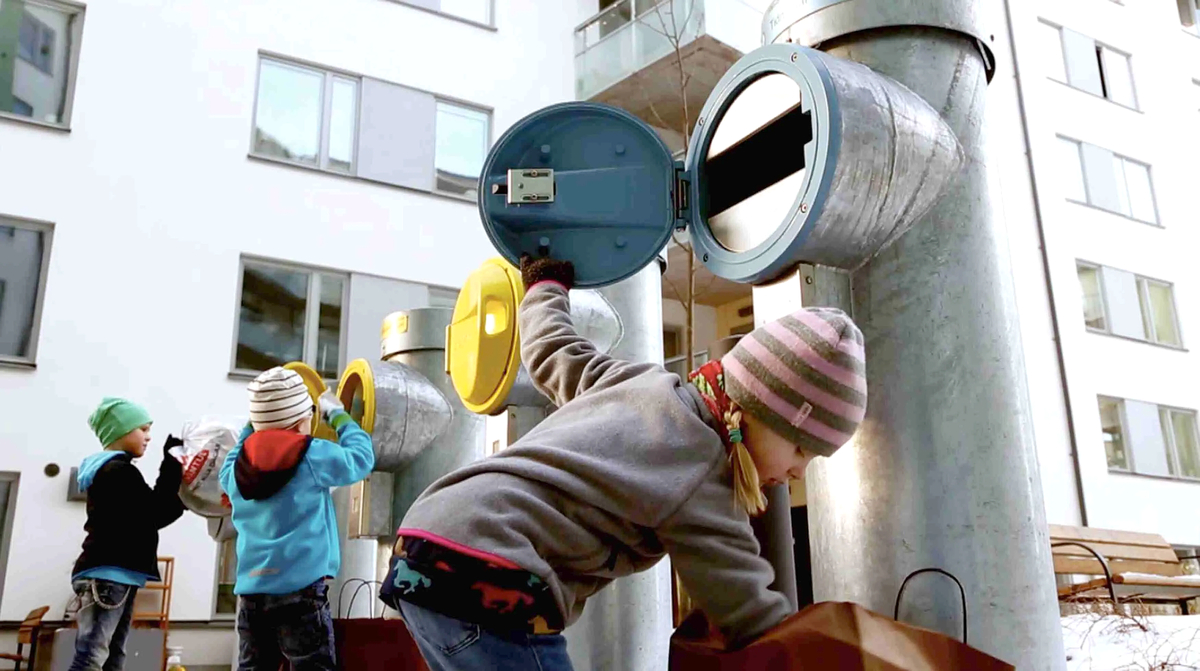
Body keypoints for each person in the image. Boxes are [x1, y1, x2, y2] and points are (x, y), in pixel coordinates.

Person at [384, 256, 868, 670]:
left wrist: (544, 284)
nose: (800, 471)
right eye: (802, 448)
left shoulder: (640, 385)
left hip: (428, 543)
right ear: (759, 408)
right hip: (492, 571)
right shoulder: (701, 469)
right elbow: (746, 610)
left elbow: (552, 350)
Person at [220, 367, 375, 671]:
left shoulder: (235, 468)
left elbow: (236, 452)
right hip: (301, 592)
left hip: (252, 594)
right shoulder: (312, 455)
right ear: (302, 419)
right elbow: (361, 458)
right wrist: (339, 417)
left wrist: (252, 428)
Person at [70, 398, 185, 671]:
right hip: (109, 576)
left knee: (112, 655)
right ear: (120, 431)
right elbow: (155, 513)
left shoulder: (113, 471)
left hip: (113, 575)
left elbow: (150, 514)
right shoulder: (118, 472)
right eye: (143, 429)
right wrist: (172, 465)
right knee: (93, 656)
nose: (148, 437)